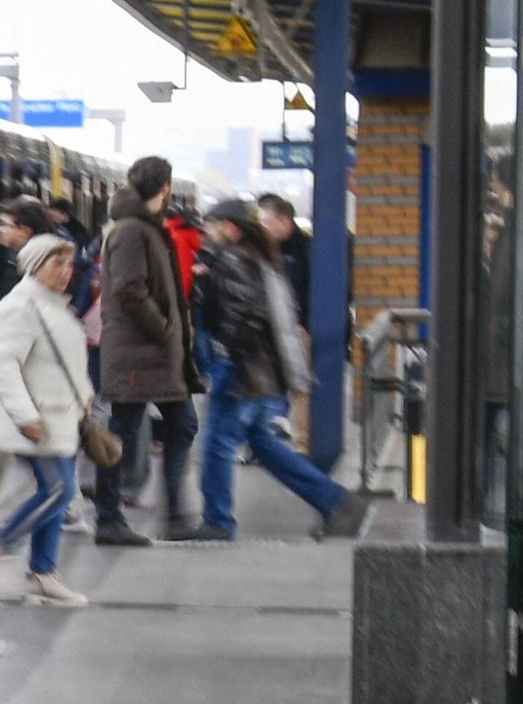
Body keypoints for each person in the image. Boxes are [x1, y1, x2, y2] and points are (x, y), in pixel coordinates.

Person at [190, 189, 362, 541]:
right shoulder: (260, 257)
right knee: (265, 446)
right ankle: (336, 501)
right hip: (260, 371)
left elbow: (239, 317)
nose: (208, 233)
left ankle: (218, 521)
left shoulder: (234, 259)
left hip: (239, 369)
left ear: (230, 228)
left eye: (213, 226)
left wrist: (224, 354)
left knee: (218, 446)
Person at [0, 227, 98, 606]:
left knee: (58, 492)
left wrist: (85, 395)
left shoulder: (53, 303)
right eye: (56, 263)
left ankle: (43, 573)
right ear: (34, 265)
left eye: (68, 263)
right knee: (58, 489)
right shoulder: (20, 307)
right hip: (36, 417)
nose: (67, 271)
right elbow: (2, 365)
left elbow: (62, 359)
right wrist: (24, 414)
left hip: (59, 413)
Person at [90, 156, 194, 544]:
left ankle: (174, 515)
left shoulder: (144, 228)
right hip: (139, 352)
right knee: (121, 433)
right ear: (165, 188)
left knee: (179, 425)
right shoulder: (132, 230)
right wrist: (165, 330)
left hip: (150, 354)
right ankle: (109, 518)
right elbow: (130, 290)